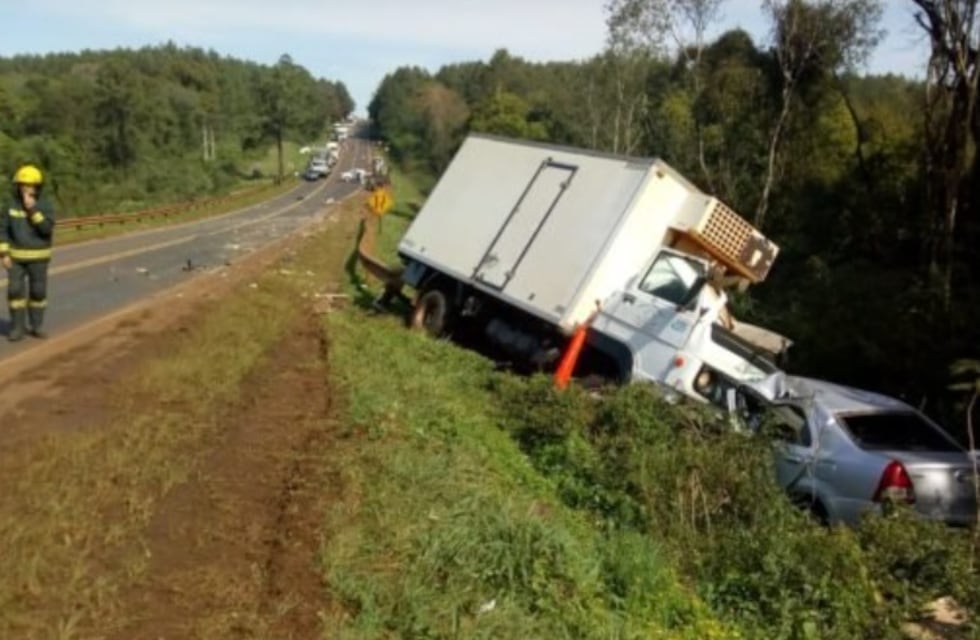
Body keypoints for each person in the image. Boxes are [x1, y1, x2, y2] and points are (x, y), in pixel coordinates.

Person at [0, 164, 55, 341]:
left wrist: (32, 210)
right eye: (22, 185)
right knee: (15, 291)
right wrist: (4, 253)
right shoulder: (11, 205)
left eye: (29, 185)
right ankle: (17, 328)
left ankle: (37, 326)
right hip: (16, 257)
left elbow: (46, 229)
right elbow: (3, 229)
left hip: (39, 257)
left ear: (38, 187)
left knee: (38, 292)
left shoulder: (45, 205)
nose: (25, 188)